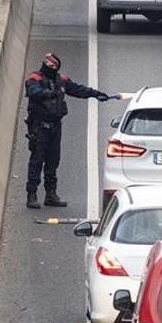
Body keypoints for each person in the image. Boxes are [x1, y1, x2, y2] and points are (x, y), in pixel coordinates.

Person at [24, 53, 111, 209]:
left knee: (53, 161)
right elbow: (33, 92)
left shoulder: (61, 80)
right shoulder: (35, 78)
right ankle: (32, 194)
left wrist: (96, 94)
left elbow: (77, 89)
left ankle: (51, 194)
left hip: (56, 126)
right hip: (39, 127)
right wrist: (47, 93)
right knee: (37, 160)